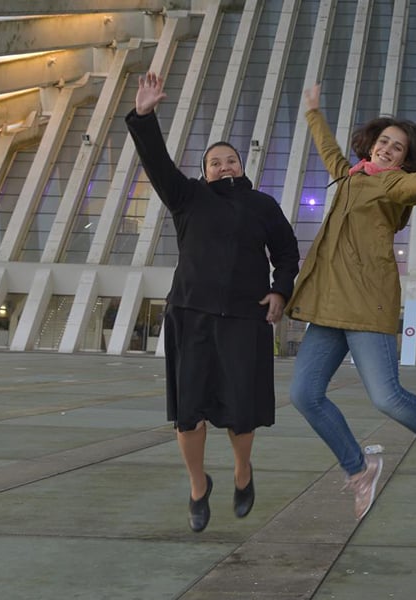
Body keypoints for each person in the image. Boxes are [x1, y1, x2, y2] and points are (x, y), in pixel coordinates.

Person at [287, 84, 416, 521]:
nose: (388, 149)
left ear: (402, 159)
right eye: (384, 141)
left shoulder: (392, 183)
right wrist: (313, 112)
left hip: (367, 303)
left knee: (387, 398)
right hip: (327, 305)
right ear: (371, 144)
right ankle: (359, 468)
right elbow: (329, 151)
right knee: (304, 394)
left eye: (398, 148)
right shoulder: (349, 175)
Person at [125, 72, 300, 533]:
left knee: (241, 411)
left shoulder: (263, 206)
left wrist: (280, 289)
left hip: (245, 318)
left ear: (242, 167)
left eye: (231, 160)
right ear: (204, 172)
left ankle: (242, 473)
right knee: (189, 413)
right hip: (191, 315)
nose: (224, 166)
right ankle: (198, 485)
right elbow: (157, 162)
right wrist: (144, 116)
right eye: (215, 162)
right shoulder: (188, 197)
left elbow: (287, 252)